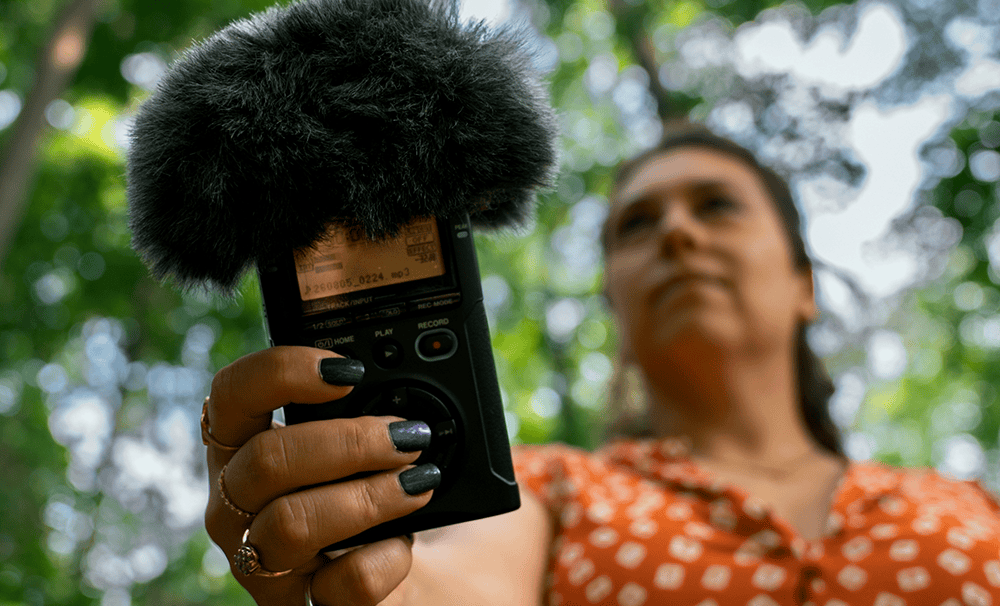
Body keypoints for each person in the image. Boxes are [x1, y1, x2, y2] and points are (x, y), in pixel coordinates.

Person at [201, 121, 1000, 605]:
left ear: (805, 284)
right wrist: (348, 571)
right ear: (614, 304)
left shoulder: (971, 504)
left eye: (715, 204)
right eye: (638, 226)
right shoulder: (550, 491)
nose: (679, 235)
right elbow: (445, 587)